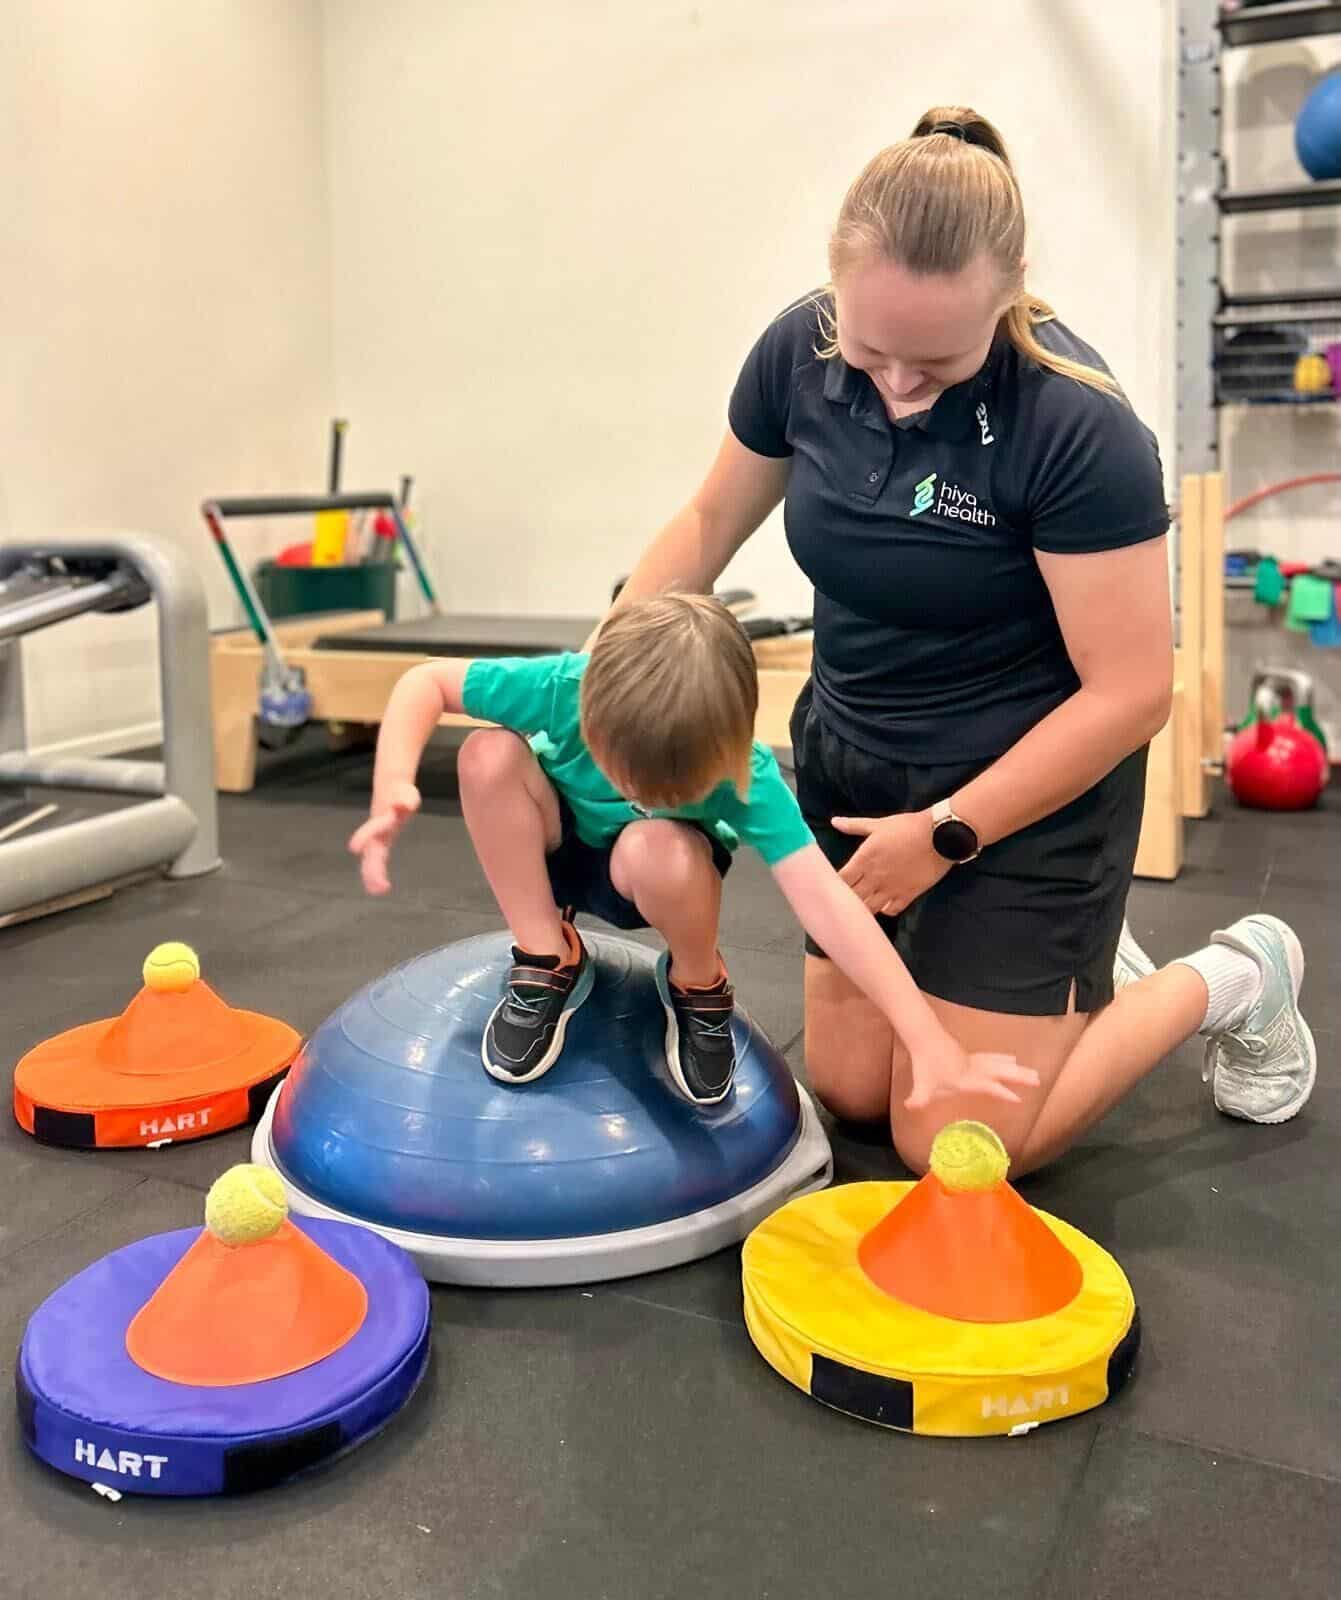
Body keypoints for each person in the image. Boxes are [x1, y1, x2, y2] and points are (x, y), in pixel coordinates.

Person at [607, 105, 1315, 1170]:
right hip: (853, 761)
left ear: (1012, 290)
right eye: (870, 348)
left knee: (958, 1142)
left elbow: (1129, 696)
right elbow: (708, 521)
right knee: (848, 1093)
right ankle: (1057, 979)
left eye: (934, 364)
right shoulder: (797, 353)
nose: (892, 387)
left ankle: (1235, 975)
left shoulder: (1079, 430)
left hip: (1023, 795)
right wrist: (594, 675)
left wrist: (946, 832)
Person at [349, 594, 1033, 1110]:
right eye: (627, 772)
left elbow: (828, 904)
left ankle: (697, 983)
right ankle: (545, 954)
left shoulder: (747, 774)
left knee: (659, 845)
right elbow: (423, 683)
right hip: (557, 844)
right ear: (592, 705)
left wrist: (926, 1038)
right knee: (486, 753)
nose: (640, 791)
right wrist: (392, 788)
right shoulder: (565, 685)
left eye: (667, 783)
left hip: (654, 871)